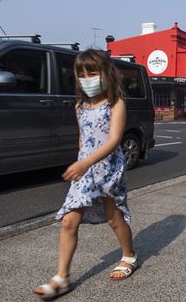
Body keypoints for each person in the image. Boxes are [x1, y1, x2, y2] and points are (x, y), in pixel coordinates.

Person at [33, 50, 136, 299]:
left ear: (106, 74)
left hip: (109, 170)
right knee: (69, 221)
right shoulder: (80, 105)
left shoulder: (116, 103)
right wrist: (82, 164)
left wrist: (86, 162)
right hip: (85, 173)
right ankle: (61, 277)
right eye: (81, 74)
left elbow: (113, 140)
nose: (87, 78)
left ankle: (129, 255)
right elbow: (83, 138)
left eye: (92, 73)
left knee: (114, 219)